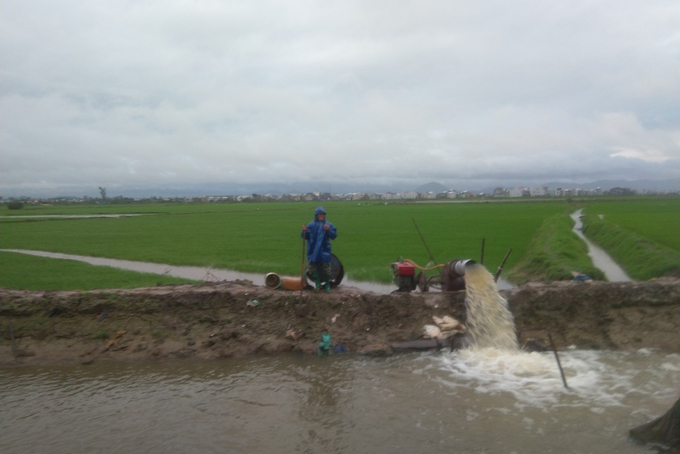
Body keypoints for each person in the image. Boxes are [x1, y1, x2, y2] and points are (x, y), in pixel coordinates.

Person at [301, 206, 338, 292]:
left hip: (324, 250)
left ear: (324, 215)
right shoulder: (311, 225)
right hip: (313, 250)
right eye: (319, 214)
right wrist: (304, 231)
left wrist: (329, 231)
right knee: (311, 268)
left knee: (327, 270)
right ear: (316, 215)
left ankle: (327, 285)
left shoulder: (328, 225)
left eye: (322, 214)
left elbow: (334, 236)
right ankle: (317, 283)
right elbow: (305, 237)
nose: (321, 216)